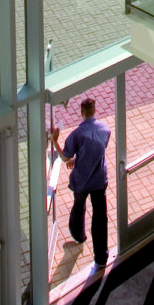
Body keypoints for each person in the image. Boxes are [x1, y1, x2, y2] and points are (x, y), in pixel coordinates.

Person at [62, 95, 110, 268]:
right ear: (94, 111)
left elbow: (65, 156)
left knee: (78, 207)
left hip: (81, 180)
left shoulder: (76, 134)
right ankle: (101, 257)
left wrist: (54, 140)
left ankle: (79, 235)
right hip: (98, 179)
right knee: (100, 217)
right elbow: (98, 150)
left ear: (81, 112)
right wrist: (80, 158)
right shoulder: (105, 129)